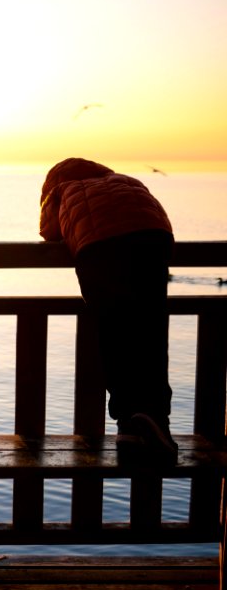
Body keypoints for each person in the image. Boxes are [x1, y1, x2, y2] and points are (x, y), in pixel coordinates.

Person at [39, 157, 177, 463]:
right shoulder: (127, 181)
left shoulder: (63, 190)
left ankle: (128, 423)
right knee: (151, 329)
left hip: (100, 247)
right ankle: (156, 421)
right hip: (152, 239)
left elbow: (48, 231)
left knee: (113, 331)